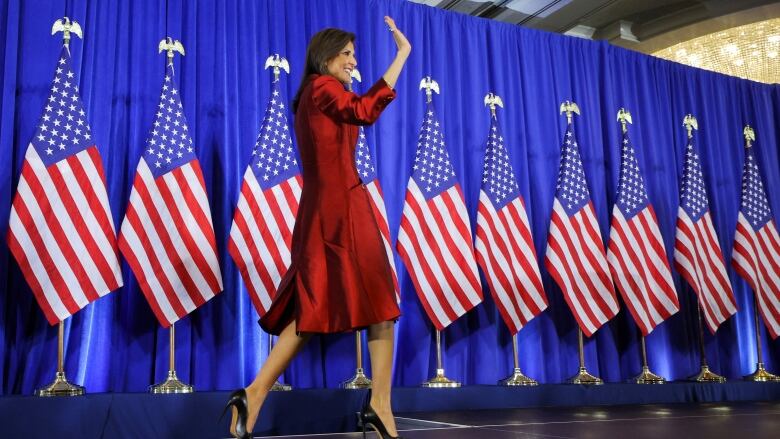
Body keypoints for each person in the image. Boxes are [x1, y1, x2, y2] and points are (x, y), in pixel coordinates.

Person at [223, 16, 411, 439]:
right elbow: (364, 111)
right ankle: (380, 406)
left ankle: (253, 394)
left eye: (353, 54)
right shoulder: (324, 88)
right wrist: (401, 55)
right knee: (380, 301)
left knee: (314, 312)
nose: (352, 61)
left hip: (324, 211)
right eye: (345, 54)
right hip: (341, 210)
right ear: (324, 57)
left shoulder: (313, 93)